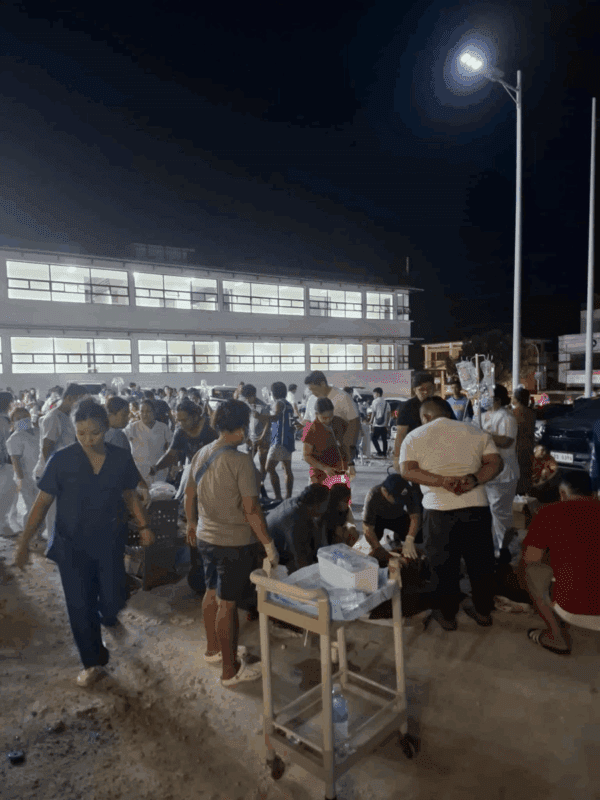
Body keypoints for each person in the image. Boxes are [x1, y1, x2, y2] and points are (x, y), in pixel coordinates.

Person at [13, 399, 154, 687]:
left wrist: (144, 525)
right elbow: (41, 503)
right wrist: (24, 542)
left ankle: (108, 613)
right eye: (81, 433)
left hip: (109, 542)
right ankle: (92, 661)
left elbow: (129, 495)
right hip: (71, 545)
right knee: (79, 605)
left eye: (95, 433)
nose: (88, 440)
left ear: (106, 427)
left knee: (113, 597)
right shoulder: (61, 460)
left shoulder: (120, 457)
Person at [184, 399, 279, 687]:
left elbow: (189, 493)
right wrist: (268, 544)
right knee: (227, 604)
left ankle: (214, 649)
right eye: (246, 426)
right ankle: (230, 671)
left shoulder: (202, 453)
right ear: (240, 428)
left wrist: (191, 523)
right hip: (232, 544)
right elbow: (252, 510)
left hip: (205, 538)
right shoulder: (240, 461)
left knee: (211, 592)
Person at [400, 396, 503, 630]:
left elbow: (407, 471)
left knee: (443, 566)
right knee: (480, 563)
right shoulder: (476, 432)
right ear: (449, 413)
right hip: (477, 507)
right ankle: (483, 613)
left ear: (426, 416)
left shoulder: (415, 436)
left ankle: (447, 616)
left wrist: (442, 481)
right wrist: (474, 479)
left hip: (439, 510)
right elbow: (495, 463)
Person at [521, 470, 600, 655]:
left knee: (530, 569)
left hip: (572, 607)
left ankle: (556, 636)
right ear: (594, 493)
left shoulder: (548, 513)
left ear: (562, 493)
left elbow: (531, 558)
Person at [33, 383, 89, 541]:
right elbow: (47, 447)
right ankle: (52, 547)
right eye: (79, 401)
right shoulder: (54, 417)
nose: (81, 405)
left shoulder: (68, 416)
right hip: (52, 473)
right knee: (53, 514)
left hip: (65, 472)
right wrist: (53, 474)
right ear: (69, 398)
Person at [479, 384, 519, 562]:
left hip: (504, 475)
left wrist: (483, 435)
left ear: (497, 399)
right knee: (489, 515)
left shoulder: (506, 417)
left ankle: (506, 550)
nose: (484, 400)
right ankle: (494, 549)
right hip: (488, 474)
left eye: (487, 397)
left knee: (501, 515)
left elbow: (506, 441)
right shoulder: (483, 416)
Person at [149, 398, 218, 492]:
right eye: (179, 420)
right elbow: (171, 454)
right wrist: (156, 467)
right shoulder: (180, 432)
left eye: (184, 420)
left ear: (195, 417)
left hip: (215, 473)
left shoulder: (211, 428)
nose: (181, 424)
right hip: (195, 473)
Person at [303, 371, 360, 477]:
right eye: (310, 390)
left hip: (340, 464)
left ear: (322, 384)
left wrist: (351, 462)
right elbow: (307, 421)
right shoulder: (311, 400)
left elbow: (354, 428)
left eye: (314, 389)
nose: (312, 392)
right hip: (319, 467)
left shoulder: (343, 398)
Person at [393, 371, 451, 472]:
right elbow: (400, 434)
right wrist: (397, 457)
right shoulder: (406, 407)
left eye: (429, 388)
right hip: (415, 453)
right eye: (421, 389)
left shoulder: (442, 404)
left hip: (439, 452)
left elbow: (452, 427)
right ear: (414, 390)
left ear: (434, 388)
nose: (425, 392)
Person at [265, 484, 330, 573]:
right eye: (326, 504)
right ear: (316, 505)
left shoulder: (300, 503)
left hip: (282, 541)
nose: (327, 508)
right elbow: (300, 560)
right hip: (272, 554)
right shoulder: (295, 521)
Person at [361, 474, 421, 565]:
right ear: (385, 492)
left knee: (419, 535)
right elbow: (367, 527)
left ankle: (396, 537)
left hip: (398, 516)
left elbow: (415, 516)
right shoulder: (373, 495)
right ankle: (378, 547)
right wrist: (379, 549)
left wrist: (410, 538)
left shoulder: (407, 490)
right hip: (378, 520)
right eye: (397, 498)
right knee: (375, 546)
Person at [258, 381, 297, 501]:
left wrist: (259, 416)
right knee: (287, 468)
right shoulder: (288, 404)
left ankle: (278, 497)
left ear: (274, 392)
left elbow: (275, 417)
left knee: (269, 467)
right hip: (288, 440)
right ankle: (288, 496)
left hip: (279, 440)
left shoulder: (279, 403)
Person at [6, 406, 40, 533]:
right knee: (30, 507)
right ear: (13, 422)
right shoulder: (14, 438)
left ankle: (38, 533)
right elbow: (15, 460)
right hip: (26, 477)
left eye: (25, 417)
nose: (23, 420)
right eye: (18, 418)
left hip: (40, 474)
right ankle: (29, 534)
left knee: (41, 506)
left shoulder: (38, 431)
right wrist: (21, 479)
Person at [301, 396, 348, 487]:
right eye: (324, 418)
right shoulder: (310, 429)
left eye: (331, 416)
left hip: (339, 471)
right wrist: (325, 468)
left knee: (341, 494)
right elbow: (306, 456)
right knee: (320, 495)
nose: (328, 420)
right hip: (319, 474)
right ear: (316, 414)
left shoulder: (339, 422)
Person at [125, 399, 171, 484]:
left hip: (159, 471)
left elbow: (169, 449)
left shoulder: (163, 427)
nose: (144, 414)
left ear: (154, 412)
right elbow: (121, 440)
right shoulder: (132, 427)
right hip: (139, 472)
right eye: (142, 411)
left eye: (148, 411)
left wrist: (171, 466)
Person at [240, 385, 270, 494]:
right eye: (245, 398)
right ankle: (250, 483)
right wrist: (246, 437)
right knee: (247, 462)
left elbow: (267, 423)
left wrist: (261, 437)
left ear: (254, 395)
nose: (247, 400)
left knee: (262, 464)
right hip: (250, 439)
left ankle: (261, 485)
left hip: (263, 439)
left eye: (249, 397)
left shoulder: (263, 406)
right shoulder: (245, 405)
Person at [0, 391, 19, 537]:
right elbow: (6, 443)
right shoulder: (3, 420)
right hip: (5, 461)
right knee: (7, 492)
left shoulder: (6, 419)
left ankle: (6, 523)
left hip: (5, 461)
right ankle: (3, 525)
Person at [512, 387, 536, 498]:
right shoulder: (531, 413)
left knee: (517, 476)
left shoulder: (513, 413)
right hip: (528, 447)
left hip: (516, 448)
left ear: (516, 399)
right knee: (526, 476)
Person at [321, 483, 360, 547]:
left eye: (348, 500)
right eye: (345, 501)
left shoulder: (346, 510)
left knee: (353, 533)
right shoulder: (325, 510)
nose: (347, 503)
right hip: (326, 538)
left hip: (340, 533)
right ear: (336, 499)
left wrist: (351, 528)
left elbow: (350, 522)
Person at [368, 388, 392, 457]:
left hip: (377, 424)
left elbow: (373, 412)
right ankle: (384, 453)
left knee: (374, 438)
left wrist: (371, 421)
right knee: (384, 439)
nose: (373, 395)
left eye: (374, 393)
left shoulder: (375, 401)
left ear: (378, 394)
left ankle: (379, 452)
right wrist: (387, 423)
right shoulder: (386, 402)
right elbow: (389, 413)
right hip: (384, 424)